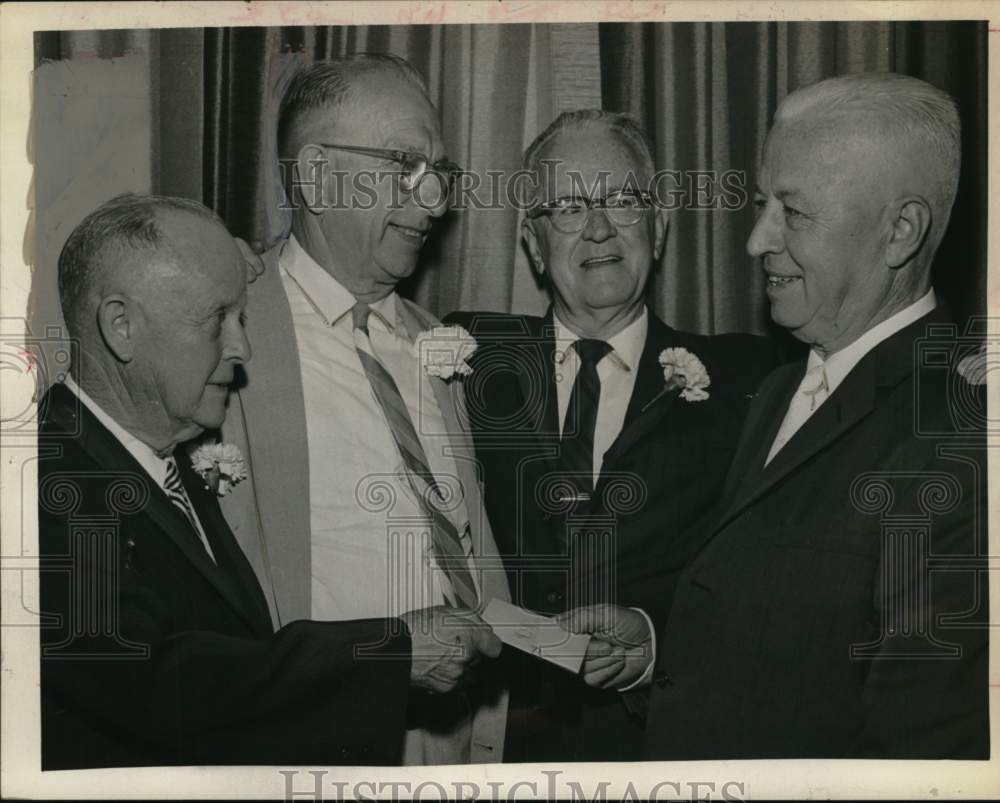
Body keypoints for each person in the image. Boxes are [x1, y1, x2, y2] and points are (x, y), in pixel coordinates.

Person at [563, 73, 989, 759]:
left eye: (792, 211)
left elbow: (924, 747)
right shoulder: (778, 388)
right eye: (762, 204)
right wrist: (651, 642)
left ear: (900, 231)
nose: (757, 240)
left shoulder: (962, 435)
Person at [38, 193, 501, 770]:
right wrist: (390, 651)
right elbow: (150, 681)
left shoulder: (165, 461)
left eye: (242, 318)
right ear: (121, 327)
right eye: (217, 321)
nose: (243, 347)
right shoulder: (44, 483)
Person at [446, 109, 774, 761]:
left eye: (622, 201)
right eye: (567, 207)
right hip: (496, 749)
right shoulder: (466, 355)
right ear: (534, 244)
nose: (598, 228)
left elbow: (764, 582)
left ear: (658, 224)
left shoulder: (751, 379)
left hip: (661, 749)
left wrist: (654, 639)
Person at [218, 56, 510, 764]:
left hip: (457, 740)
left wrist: (570, 642)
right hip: (315, 741)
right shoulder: (228, 329)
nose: (435, 198)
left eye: (440, 168)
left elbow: (469, 557)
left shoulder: (427, 337)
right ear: (315, 176)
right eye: (404, 163)